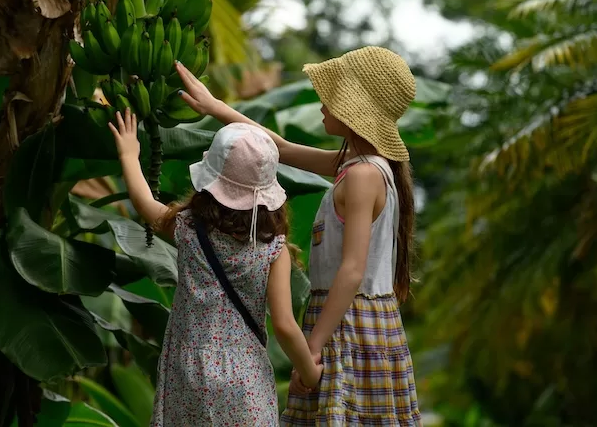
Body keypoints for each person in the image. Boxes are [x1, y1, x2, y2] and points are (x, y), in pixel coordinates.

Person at [173, 45, 423, 426]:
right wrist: (217, 108)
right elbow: (283, 149)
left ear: (355, 108)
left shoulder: (362, 175)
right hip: (342, 316)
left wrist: (313, 346)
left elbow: (352, 271)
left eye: (332, 93)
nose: (322, 101)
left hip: (348, 321)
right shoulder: (356, 164)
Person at [109, 109, 323, 426]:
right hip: (244, 377)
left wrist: (129, 153)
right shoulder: (274, 251)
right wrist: (310, 373)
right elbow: (284, 325)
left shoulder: (188, 229)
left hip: (188, 369)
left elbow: (144, 203)